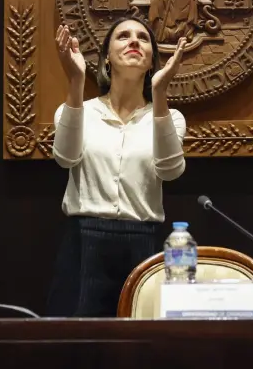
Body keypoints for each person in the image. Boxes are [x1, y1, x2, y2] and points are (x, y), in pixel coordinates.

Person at [46, 16, 187, 317]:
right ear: (107, 58)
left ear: (152, 62)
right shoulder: (77, 111)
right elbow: (65, 158)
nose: (134, 41)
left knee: (140, 350)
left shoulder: (169, 117)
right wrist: (75, 81)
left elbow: (169, 170)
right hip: (84, 241)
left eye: (143, 38)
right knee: (79, 349)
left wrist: (160, 94)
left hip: (142, 242)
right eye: (123, 36)